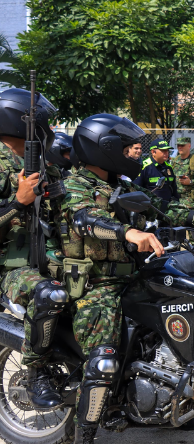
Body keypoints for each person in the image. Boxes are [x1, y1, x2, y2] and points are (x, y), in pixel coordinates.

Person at [62, 114, 194, 440]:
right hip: (96, 283)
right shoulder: (74, 185)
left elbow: (163, 210)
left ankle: (171, 404)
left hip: (133, 275)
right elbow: (84, 221)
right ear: (103, 149)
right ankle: (83, 436)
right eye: (126, 148)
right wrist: (127, 232)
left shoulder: (121, 183)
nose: (134, 153)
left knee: (182, 321)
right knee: (102, 362)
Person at [0, 88, 67, 409]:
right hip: (11, 267)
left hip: (52, 256)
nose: (50, 129)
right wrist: (18, 202)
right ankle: (36, 373)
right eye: (45, 121)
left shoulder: (46, 164)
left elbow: (66, 209)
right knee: (47, 295)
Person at [171, 137, 194, 209]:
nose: (180, 147)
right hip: (175, 200)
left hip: (190, 202)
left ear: (189, 146)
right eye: (178, 145)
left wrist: (190, 181)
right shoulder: (174, 161)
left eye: (182, 145)